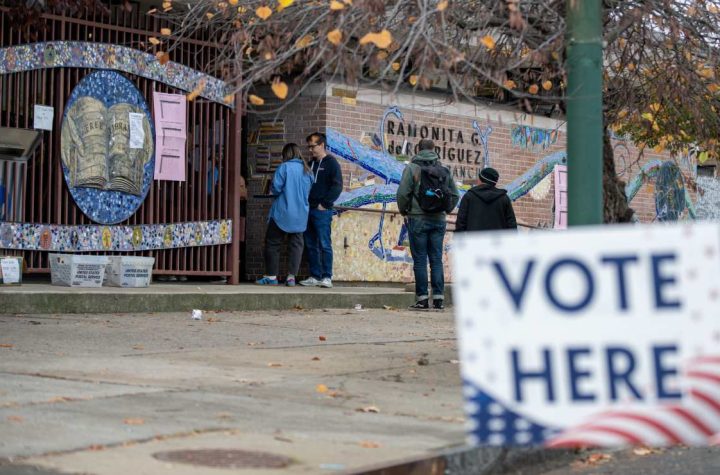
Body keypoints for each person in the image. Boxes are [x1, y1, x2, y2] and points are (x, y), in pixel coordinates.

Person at [397, 139, 459, 310]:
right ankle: (439, 299)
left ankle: (422, 299)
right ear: (434, 150)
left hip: (418, 219)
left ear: (418, 150)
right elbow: (455, 194)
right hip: (439, 220)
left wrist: (404, 211)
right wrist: (445, 210)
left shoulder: (412, 168)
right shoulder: (444, 169)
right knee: (436, 259)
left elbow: (403, 193)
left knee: (420, 260)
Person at [256, 143, 313, 286]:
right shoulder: (308, 170)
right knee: (296, 246)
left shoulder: (284, 167)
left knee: (272, 243)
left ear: (285, 155)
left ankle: (271, 277)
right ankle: (291, 277)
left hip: (282, 213)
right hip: (300, 215)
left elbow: (276, 188)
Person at [299, 132, 344, 288]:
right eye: (309, 147)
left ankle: (327, 277)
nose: (310, 150)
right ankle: (315, 276)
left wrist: (324, 204)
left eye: (313, 146)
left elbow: (337, 186)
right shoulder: (310, 164)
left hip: (322, 211)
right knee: (310, 244)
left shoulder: (331, 163)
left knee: (324, 243)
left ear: (322, 145)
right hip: (307, 209)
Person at [455, 167, 517, 233]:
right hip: (498, 241)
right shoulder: (504, 198)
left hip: (473, 241)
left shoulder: (469, 196)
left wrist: (459, 240)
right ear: (495, 183)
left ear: (480, 180)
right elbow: (511, 224)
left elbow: (460, 222)